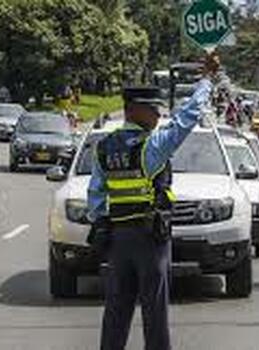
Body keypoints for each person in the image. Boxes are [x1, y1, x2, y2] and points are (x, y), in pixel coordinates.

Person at [87, 53, 220, 350]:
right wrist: (206, 81)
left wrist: (102, 224)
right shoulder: (151, 145)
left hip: (118, 238)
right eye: (153, 110)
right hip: (150, 238)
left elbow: (96, 196)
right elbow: (186, 118)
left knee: (116, 308)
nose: (159, 116)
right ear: (133, 110)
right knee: (154, 310)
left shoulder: (104, 147)